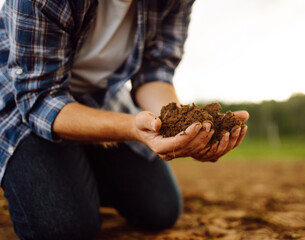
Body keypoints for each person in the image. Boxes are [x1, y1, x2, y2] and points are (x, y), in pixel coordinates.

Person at [0, 0, 249, 239]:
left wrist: (185, 127)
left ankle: (73, 166)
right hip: (19, 97)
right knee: (65, 228)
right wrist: (132, 127)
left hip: (99, 97)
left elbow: (154, 72)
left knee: (159, 208)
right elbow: (40, 98)